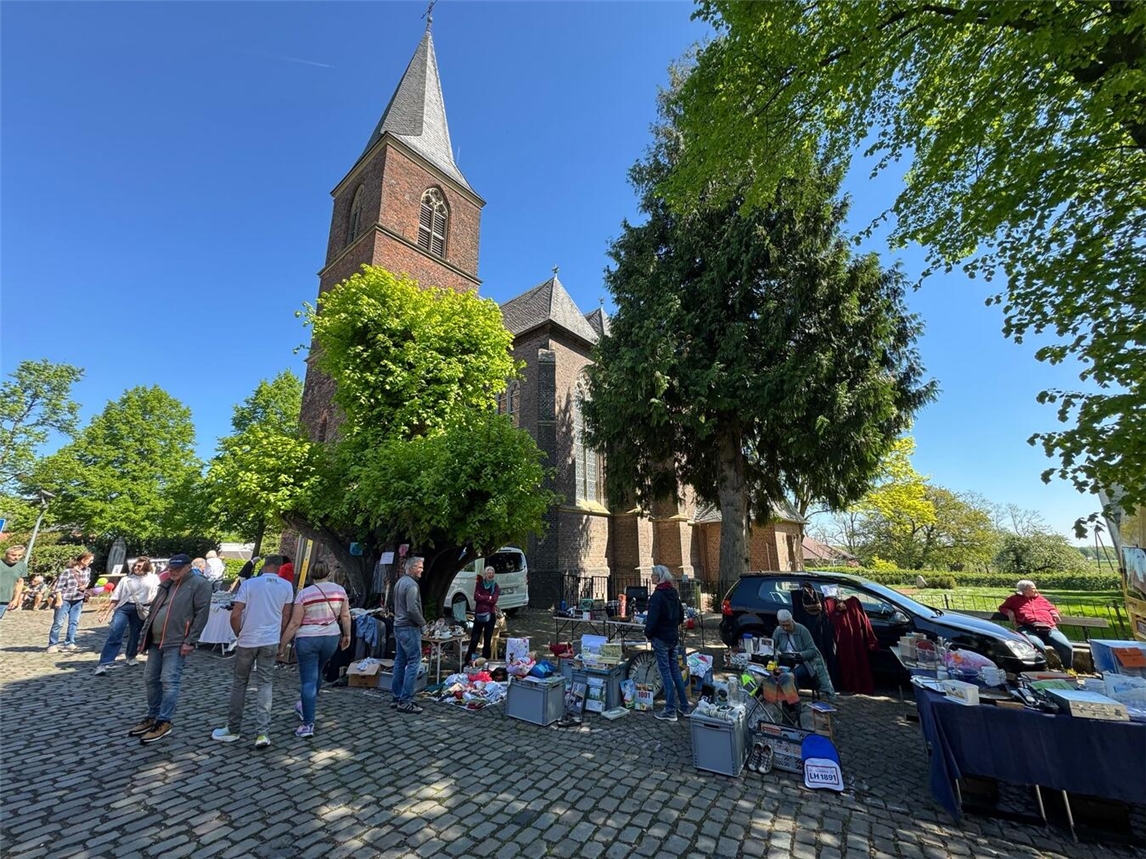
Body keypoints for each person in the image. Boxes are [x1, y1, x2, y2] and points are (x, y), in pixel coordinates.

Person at [211, 555, 294, 748]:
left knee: (240, 683)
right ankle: (262, 733)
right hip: (270, 639)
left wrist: (239, 633)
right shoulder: (286, 586)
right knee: (265, 684)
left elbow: (236, 614)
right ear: (279, 567)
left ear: (265, 566)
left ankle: (233, 729)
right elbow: (286, 615)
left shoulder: (250, 585)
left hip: (248, 639)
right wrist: (280, 638)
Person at [128, 554, 212, 744]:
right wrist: (145, 636)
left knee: (169, 680)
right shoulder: (167, 584)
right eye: (171, 568)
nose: (172, 571)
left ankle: (164, 720)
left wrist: (190, 640)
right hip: (157, 639)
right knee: (150, 678)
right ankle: (152, 715)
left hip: (177, 640)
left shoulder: (199, 584)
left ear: (188, 568)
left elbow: (202, 614)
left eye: (177, 568)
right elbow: (156, 610)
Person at [279, 561, 351, 738]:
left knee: (308, 680)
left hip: (308, 638)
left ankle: (308, 722)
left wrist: (282, 644)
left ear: (311, 574)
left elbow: (295, 622)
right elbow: (345, 615)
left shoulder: (304, 594)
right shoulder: (340, 591)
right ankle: (306, 705)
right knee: (317, 671)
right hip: (331, 636)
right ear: (328, 573)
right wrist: (347, 635)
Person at [94, 557, 160, 674]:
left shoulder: (153, 578)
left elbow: (156, 595)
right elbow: (116, 597)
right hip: (124, 608)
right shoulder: (126, 579)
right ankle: (104, 663)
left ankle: (130, 655)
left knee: (135, 634)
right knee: (115, 633)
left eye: (139, 566)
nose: (136, 568)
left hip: (142, 609)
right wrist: (106, 613)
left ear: (146, 567)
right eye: (135, 565)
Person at [645, 564, 691, 722]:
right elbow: (680, 616)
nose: (651, 577)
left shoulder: (657, 596)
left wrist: (648, 633)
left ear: (659, 577)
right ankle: (685, 706)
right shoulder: (673, 592)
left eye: (653, 575)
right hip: (673, 637)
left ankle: (670, 709)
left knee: (665, 673)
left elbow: (652, 619)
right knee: (675, 671)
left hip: (661, 638)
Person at [999, 580, 1074, 670]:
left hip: (1048, 627)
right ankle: (1043, 668)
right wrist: (1009, 612)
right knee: (1037, 645)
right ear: (1024, 590)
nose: (1036, 590)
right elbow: (1002, 607)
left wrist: (1054, 612)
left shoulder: (1040, 599)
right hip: (1027, 628)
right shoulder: (1013, 599)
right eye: (1033, 589)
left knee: (1066, 646)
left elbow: (1051, 608)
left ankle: (1068, 668)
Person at [773, 609, 837, 699]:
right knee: (774, 674)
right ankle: (778, 700)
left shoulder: (802, 630)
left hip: (805, 663)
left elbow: (813, 651)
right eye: (782, 625)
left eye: (787, 625)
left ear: (792, 621)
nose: (785, 628)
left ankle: (793, 703)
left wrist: (799, 655)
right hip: (787, 663)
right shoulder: (778, 631)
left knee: (789, 676)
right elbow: (772, 646)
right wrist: (776, 653)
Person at [391, 556, 426, 714]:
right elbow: (412, 609)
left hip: (398, 625)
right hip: (408, 627)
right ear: (411, 568)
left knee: (400, 661)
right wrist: (422, 623)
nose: (422, 570)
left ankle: (397, 697)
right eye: (419, 567)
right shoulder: (411, 585)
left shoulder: (400, 582)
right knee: (413, 662)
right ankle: (405, 700)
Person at [47, 552, 93, 652]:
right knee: (58, 622)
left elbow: (88, 581)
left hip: (78, 599)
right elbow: (58, 587)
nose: (91, 562)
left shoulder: (88, 570)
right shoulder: (67, 572)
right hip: (65, 599)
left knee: (74, 622)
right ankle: (52, 644)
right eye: (90, 560)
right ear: (83, 560)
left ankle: (69, 642)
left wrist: (84, 586)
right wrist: (59, 600)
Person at [466, 566, 499, 664]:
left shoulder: (495, 586)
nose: (490, 575)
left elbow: (494, 600)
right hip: (479, 615)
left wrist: (483, 598)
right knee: (474, 638)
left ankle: (485, 661)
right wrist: (487, 597)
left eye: (492, 573)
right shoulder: (480, 584)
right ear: (485, 575)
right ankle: (468, 660)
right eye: (488, 573)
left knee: (487, 639)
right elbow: (476, 597)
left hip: (490, 615)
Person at [0, 545, 28, 621]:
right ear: (7, 554)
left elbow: (20, 583)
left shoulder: (22, 566)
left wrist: (15, 599)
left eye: (19, 555)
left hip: (5, 599)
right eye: (13, 555)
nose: (16, 557)